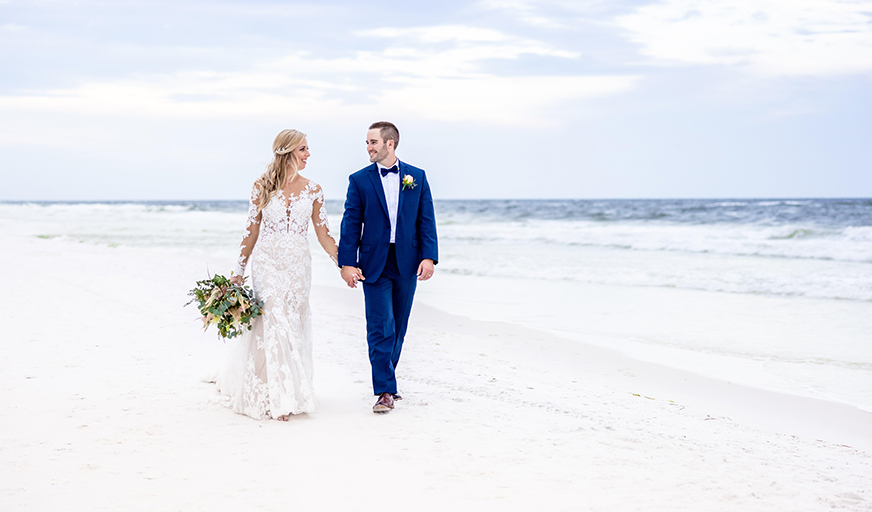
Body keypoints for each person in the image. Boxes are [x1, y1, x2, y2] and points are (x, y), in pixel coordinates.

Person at [217, 129, 338, 421]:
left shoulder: (314, 190)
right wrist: (239, 271)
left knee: (293, 322)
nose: (308, 154)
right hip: (267, 262)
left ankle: (289, 389)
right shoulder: (262, 186)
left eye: (308, 149)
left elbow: (323, 234)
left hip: (298, 265)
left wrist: (343, 262)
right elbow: (251, 230)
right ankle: (273, 396)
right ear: (287, 152)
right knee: (273, 319)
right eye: (303, 149)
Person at [338, 121, 438, 413]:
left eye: (373, 142)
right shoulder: (359, 180)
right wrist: (347, 263)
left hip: (408, 261)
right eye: (367, 143)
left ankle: (388, 378)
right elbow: (351, 223)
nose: (369, 147)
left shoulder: (417, 177)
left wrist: (428, 256)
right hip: (373, 263)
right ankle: (384, 390)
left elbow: (426, 219)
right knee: (381, 326)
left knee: (399, 326)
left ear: (389, 143)